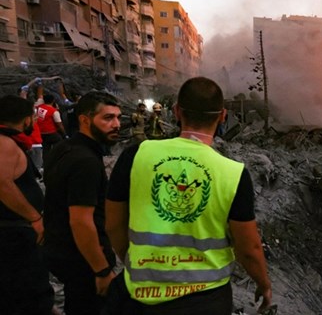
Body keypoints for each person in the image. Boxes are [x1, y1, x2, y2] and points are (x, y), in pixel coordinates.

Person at [105, 77, 272, 314]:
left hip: (139, 296)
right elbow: (249, 249)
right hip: (205, 301)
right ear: (222, 115)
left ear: (176, 111)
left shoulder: (135, 156)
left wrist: (136, 264)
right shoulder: (233, 174)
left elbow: (113, 225)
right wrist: (263, 284)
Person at [43, 91, 122, 315]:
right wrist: (102, 271)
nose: (116, 124)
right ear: (85, 120)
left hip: (64, 253)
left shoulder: (63, 149)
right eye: (107, 118)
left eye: (118, 117)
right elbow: (81, 221)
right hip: (83, 260)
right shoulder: (86, 162)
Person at [0, 95, 55, 315]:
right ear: (25, 120)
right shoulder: (4, 143)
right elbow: (2, 184)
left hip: (14, 233)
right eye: (32, 116)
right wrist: (34, 217)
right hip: (13, 234)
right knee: (24, 292)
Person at [36, 94, 67, 159]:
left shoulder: (38, 107)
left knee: (45, 148)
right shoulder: (53, 111)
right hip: (50, 133)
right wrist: (65, 134)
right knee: (60, 141)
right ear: (53, 101)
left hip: (40, 133)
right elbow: (59, 124)